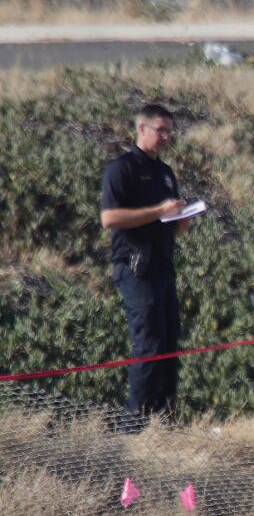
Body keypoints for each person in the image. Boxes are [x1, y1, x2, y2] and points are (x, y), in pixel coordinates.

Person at [100, 104, 192, 422]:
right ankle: (135, 422)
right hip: (135, 266)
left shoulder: (165, 173)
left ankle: (163, 418)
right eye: (160, 130)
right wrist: (157, 212)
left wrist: (182, 218)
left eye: (169, 131)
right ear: (142, 129)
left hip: (163, 266)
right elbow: (110, 217)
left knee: (169, 340)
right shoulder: (122, 168)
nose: (167, 137)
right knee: (149, 342)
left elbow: (171, 221)